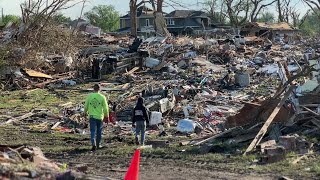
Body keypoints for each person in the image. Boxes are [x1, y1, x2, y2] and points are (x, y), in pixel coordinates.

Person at [84, 84, 109, 151]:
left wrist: (85, 113)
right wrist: (107, 116)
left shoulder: (89, 96)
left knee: (92, 131)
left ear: (93, 89)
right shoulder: (102, 97)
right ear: (100, 89)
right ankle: (98, 144)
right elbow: (105, 108)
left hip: (92, 116)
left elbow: (86, 106)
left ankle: (93, 143)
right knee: (99, 131)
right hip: (100, 117)